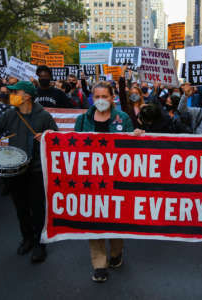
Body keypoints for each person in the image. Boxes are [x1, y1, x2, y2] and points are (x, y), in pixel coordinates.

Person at [0, 81, 58, 263]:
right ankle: (27, 239)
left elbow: (56, 136)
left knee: (37, 209)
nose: (10, 95)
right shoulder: (10, 114)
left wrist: (47, 136)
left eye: (15, 92)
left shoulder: (43, 116)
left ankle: (40, 244)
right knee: (20, 207)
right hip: (15, 170)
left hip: (36, 170)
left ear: (27, 96)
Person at [74, 81, 133, 283]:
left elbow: (131, 149)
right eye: (96, 97)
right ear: (92, 98)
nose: (100, 100)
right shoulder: (83, 120)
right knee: (94, 219)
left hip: (116, 178)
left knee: (115, 217)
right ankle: (99, 264)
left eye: (104, 96)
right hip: (91, 179)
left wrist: (136, 137)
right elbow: (72, 146)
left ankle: (116, 252)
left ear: (112, 97)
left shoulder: (122, 118)